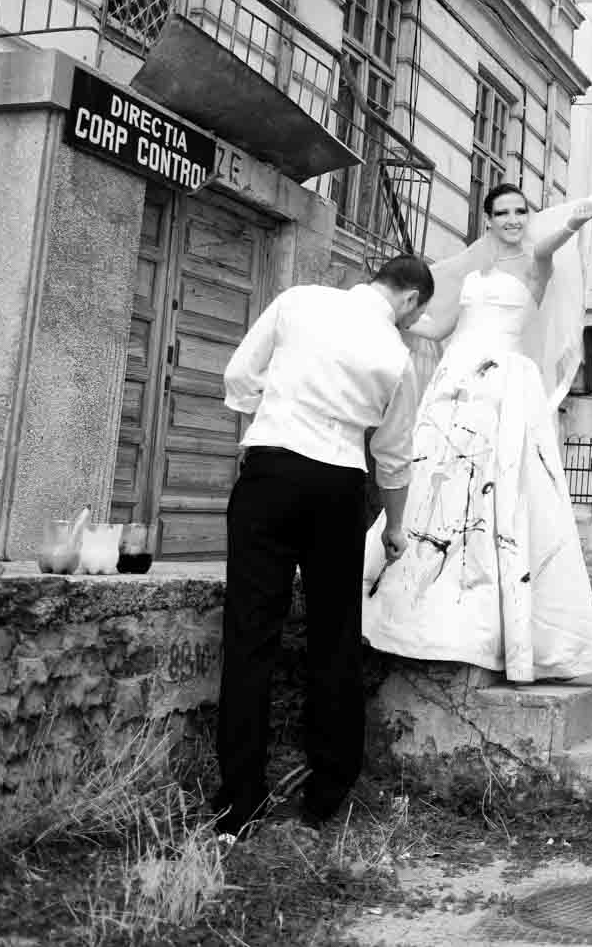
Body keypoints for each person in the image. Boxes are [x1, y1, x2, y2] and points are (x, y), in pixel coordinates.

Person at [211, 255, 433, 840]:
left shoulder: (298, 301)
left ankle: (239, 803)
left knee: (249, 633)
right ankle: (326, 794)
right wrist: (394, 527)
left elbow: (238, 377)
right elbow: (393, 458)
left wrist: (278, 412)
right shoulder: (397, 357)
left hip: (271, 470)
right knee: (333, 637)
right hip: (338, 486)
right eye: (415, 315)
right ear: (410, 300)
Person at [363, 184, 592, 682]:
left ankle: (496, 614)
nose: (513, 219)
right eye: (503, 213)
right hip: (455, 380)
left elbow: (547, 245)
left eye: (520, 211)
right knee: (438, 482)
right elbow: (439, 328)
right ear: (489, 219)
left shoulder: (536, 263)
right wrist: (390, 318)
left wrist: (571, 223)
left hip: (502, 383)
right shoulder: (473, 273)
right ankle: (418, 600)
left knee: (496, 487)